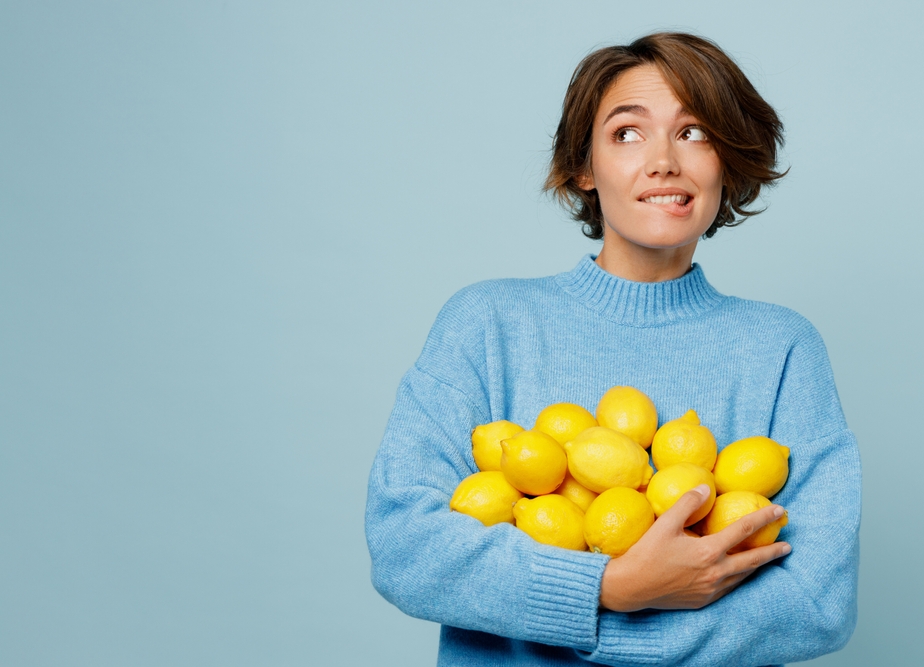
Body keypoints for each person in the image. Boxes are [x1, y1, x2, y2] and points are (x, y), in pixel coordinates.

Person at [365, 32, 860, 667]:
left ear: (727, 161)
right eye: (627, 133)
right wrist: (611, 590)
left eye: (695, 132)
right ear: (584, 167)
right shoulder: (487, 323)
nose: (663, 162)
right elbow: (406, 545)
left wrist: (600, 623)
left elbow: (817, 603)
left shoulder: (783, 347)